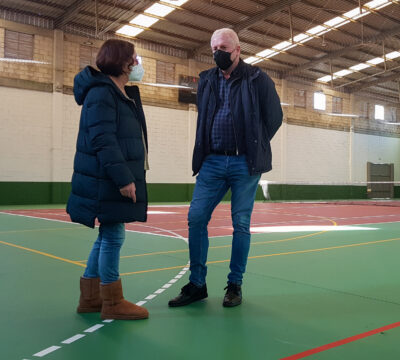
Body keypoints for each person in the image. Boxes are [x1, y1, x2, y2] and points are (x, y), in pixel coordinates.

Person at [168, 28, 283, 308]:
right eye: (214, 48)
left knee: (240, 224)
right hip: (212, 161)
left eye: (223, 48)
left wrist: (254, 143)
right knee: (196, 218)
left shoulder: (258, 79)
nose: (217, 52)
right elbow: (204, 115)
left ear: (238, 50)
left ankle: (235, 285)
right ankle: (197, 284)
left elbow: (274, 118)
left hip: (245, 163)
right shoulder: (206, 79)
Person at [67, 39, 149, 320]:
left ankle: (90, 297)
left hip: (107, 177)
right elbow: (104, 140)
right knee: (114, 235)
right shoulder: (102, 93)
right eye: (135, 59)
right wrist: (124, 179)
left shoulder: (117, 93)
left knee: (107, 235)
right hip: (107, 179)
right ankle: (112, 302)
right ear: (124, 62)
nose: (138, 64)